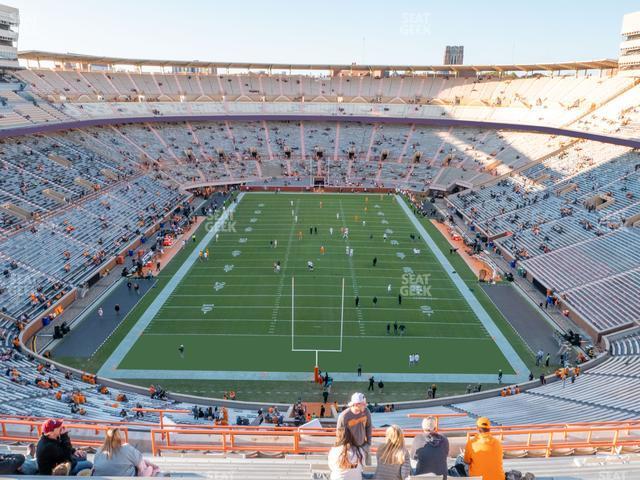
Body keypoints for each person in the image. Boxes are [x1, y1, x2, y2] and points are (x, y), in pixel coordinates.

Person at [93, 428, 161, 477]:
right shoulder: (126, 448)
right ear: (120, 438)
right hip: (124, 476)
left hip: (99, 476)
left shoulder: (99, 450)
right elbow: (140, 463)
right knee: (142, 464)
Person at [336, 393, 372, 462]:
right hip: (349, 449)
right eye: (363, 404)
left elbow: (369, 427)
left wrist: (368, 443)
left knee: (367, 467)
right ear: (356, 404)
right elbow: (339, 434)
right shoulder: (344, 416)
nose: (365, 405)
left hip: (363, 445)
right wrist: (342, 450)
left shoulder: (366, 411)